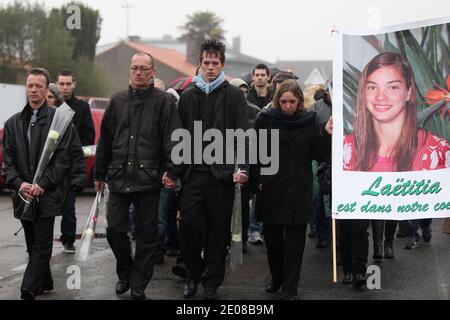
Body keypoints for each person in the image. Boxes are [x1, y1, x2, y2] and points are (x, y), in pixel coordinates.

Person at [342, 51, 450, 256]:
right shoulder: (346, 148)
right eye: (372, 87)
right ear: (363, 93)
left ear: (409, 92)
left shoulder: (437, 149)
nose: (380, 96)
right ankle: (376, 252)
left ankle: (396, 240)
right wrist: (326, 136)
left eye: (392, 87)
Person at [94, 52, 182, 300]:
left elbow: (173, 139)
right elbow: (106, 141)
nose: (139, 72)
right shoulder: (117, 101)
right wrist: (99, 173)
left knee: (146, 235)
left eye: (144, 68)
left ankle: (139, 282)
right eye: (135, 68)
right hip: (119, 177)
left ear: (153, 72)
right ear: (130, 71)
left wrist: (172, 170)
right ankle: (125, 272)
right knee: (115, 229)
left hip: (149, 179)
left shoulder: (164, 102)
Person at [177, 39, 249, 300]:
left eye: (215, 63)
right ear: (200, 63)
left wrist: (242, 167)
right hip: (193, 174)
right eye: (206, 63)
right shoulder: (187, 96)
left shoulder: (233, 96)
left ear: (222, 64)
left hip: (222, 176)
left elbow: (242, 133)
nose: (209, 68)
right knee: (191, 228)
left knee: (218, 232)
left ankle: (211, 282)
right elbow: (179, 137)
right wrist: (174, 173)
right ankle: (193, 274)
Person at [2, 68, 82, 300]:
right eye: (30, 86)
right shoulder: (13, 123)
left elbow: (63, 158)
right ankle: (44, 280)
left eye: (39, 86)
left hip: (47, 193)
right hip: (24, 194)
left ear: (47, 90)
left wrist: (43, 184)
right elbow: (8, 161)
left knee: (42, 244)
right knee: (31, 243)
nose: (34, 90)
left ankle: (28, 288)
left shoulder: (60, 121)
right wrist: (20, 184)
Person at [254, 79, 332, 300]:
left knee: (296, 245)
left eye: (292, 102)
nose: (288, 106)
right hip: (271, 188)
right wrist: (257, 178)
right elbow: (255, 152)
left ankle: (290, 288)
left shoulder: (310, 120)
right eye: (284, 101)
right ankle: (277, 278)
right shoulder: (265, 119)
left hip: (298, 188)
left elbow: (318, 153)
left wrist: (326, 134)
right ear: (277, 101)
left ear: (299, 102)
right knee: (273, 240)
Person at [56, 69, 95, 254]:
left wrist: (77, 155)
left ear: (74, 84)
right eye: (61, 83)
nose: (64, 87)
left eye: (67, 83)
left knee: (69, 207)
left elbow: (89, 138)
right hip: (49, 166)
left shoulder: (82, 108)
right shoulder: (50, 105)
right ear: (56, 84)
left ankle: (68, 239)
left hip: (70, 167)